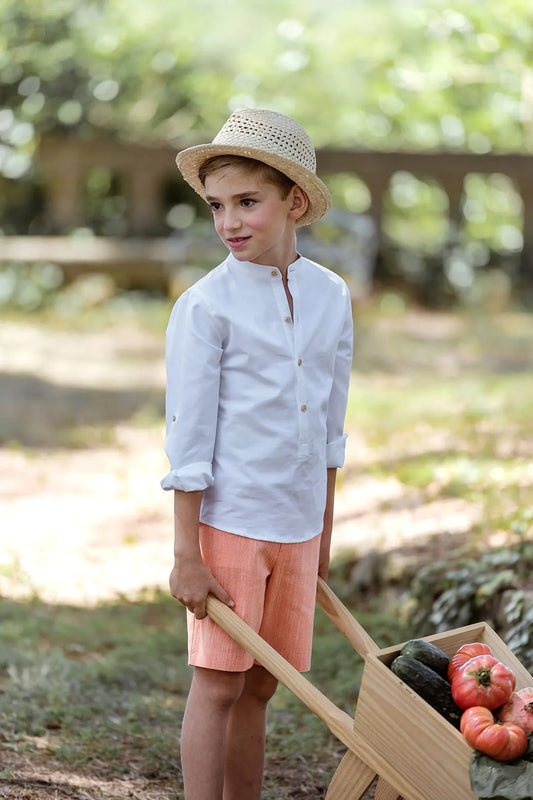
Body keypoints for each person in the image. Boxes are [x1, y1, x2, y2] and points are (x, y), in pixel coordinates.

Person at [161, 107, 353, 800]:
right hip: (232, 521)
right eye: (217, 206)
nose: (228, 223)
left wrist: (322, 535)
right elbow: (188, 440)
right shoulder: (205, 306)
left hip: (297, 525)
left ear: (293, 201)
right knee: (218, 683)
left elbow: (331, 428)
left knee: (263, 685)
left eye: (247, 202)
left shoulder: (330, 296)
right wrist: (187, 554)